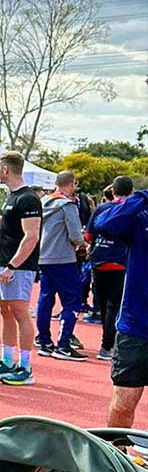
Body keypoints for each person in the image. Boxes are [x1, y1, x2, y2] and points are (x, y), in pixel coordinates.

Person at [0, 150, 42, 387]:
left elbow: (32, 236)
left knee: (19, 312)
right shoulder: (12, 197)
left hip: (19, 266)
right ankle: (6, 360)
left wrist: (13, 266)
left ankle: (25, 367)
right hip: (4, 262)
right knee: (5, 311)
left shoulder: (28, 198)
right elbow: (12, 228)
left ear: (6, 169)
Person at [92, 181, 148, 428]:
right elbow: (103, 224)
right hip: (136, 325)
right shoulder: (141, 216)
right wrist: (144, 196)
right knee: (123, 403)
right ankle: (116, 458)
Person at [35, 170, 88, 360]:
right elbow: (75, 235)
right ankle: (64, 344)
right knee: (73, 301)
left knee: (45, 298)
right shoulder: (67, 205)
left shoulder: (42, 203)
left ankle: (44, 341)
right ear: (71, 183)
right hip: (63, 258)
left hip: (44, 256)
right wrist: (83, 243)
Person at [86, 176, 133, 362]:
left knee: (103, 305)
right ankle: (108, 346)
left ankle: (107, 344)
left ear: (112, 192)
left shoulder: (101, 209)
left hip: (99, 262)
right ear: (131, 193)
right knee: (115, 306)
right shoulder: (131, 211)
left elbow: (89, 235)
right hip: (121, 263)